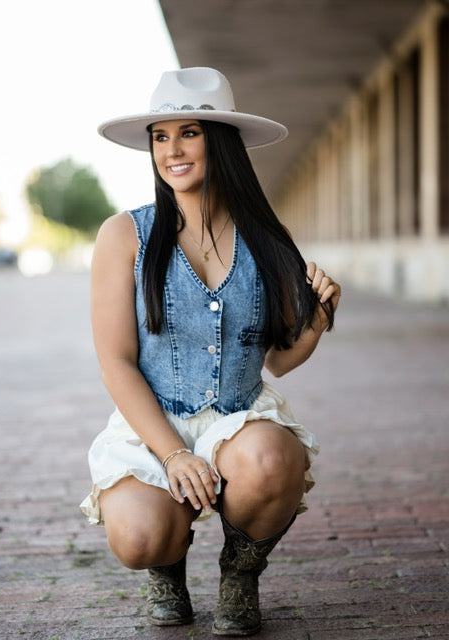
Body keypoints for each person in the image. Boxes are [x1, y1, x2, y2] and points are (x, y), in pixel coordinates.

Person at [80, 67, 341, 637]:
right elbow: (117, 363)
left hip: (238, 418)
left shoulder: (266, 240)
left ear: (220, 141)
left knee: (273, 461)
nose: (171, 150)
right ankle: (167, 565)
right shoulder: (124, 235)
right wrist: (174, 455)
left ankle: (240, 573)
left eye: (190, 132)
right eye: (160, 136)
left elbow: (276, 359)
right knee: (138, 539)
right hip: (153, 421)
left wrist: (314, 327)